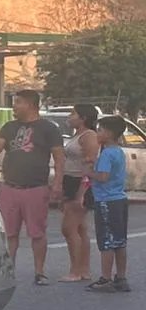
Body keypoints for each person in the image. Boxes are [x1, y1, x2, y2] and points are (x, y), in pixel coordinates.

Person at [0, 90, 64, 283]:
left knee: (37, 233)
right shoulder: (10, 126)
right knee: (9, 233)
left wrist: (57, 184)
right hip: (10, 187)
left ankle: (39, 272)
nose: (14, 106)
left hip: (35, 188)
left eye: (18, 102)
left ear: (31, 105)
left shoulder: (48, 128)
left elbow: (59, 158)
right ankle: (9, 272)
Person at [85, 116, 130, 292]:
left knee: (106, 241)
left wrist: (89, 172)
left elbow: (103, 177)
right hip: (119, 199)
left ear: (109, 133)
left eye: (100, 130)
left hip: (106, 200)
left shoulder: (107, 153)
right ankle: (121, 276)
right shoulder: (118, 151)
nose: (98, 133)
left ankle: (105, 278)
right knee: (120, 240)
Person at [59, 104, 100, 281]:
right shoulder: (77, 135)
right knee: (80, 228)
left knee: (69, 228)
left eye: (73, 113)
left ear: (83, 118)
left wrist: (82, 192)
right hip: (70, 181)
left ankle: (76, 270)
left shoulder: (89, 136)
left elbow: (90, 164)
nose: (70, 116)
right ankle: (83, 270)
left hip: (79, 182)